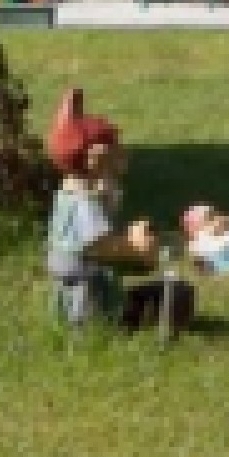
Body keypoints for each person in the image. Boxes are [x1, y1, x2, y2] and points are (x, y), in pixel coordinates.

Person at [44, 94, 191, 334]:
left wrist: (107, 196)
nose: (123, 153)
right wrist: (136, 244)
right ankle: (111, 327)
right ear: (96, 158)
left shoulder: (68, 197)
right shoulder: (84, 206)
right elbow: (104, 247)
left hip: (85, 296)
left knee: (171, 293)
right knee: (178, 294)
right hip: (92, 308)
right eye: (116, 148)